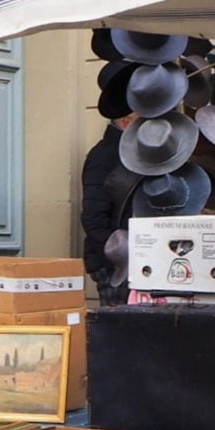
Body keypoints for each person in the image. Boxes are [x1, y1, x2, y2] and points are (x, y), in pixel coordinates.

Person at [82, 112, 139, 305]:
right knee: (119, 328)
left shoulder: (126, 153)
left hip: (130, 256)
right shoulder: (106, 155)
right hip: (114, 261)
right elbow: (93, 217)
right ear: (126, 122)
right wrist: (118, 253)